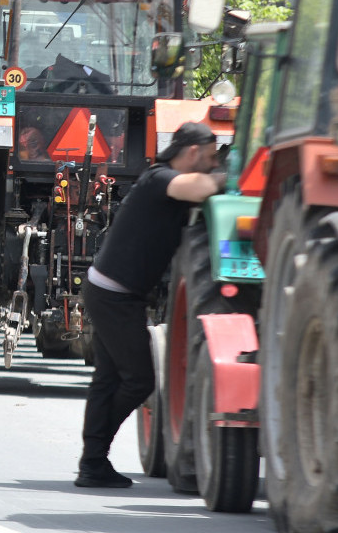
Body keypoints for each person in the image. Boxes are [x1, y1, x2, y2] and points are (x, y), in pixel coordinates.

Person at [76, 121, 224, 489]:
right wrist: (231, 176)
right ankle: (93, 460)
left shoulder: (166, 182)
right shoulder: (158, 178)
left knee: (107, 379)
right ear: (191, 152)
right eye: (207, 158)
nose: (209, 165)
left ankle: (92, 464)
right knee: (139, 380)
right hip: (113, 296)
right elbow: (204, 186)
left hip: (113, 293)